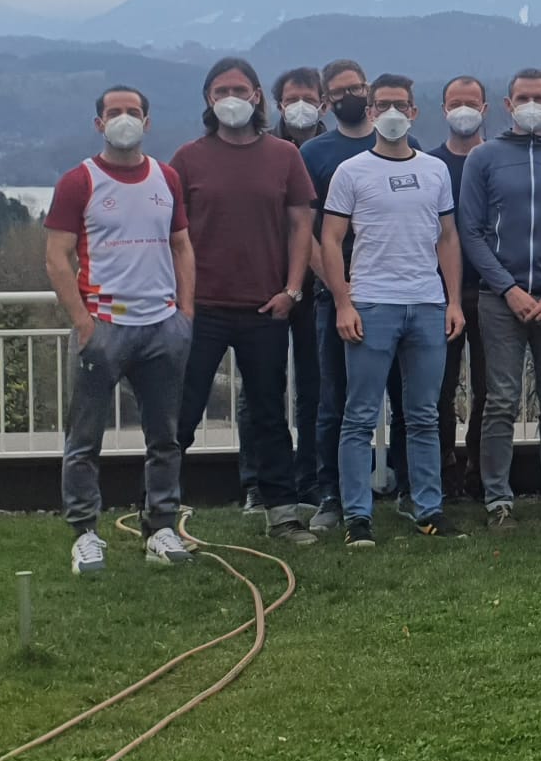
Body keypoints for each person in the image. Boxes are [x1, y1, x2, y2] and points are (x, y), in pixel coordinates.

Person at [44, 86, 196, 576]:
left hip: (162, 326)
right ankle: (85, 533)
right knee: (84, 438)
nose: (124, 119)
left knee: (165, 437)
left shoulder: (166, 178)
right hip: (105, 326)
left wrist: (184, 313)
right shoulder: (79, 182)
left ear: (147, 122)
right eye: (114, 112)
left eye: (133, 112)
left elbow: (181, 246)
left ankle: (162, 527)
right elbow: (57, 257)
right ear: (99, 123)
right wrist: (82, 322)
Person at [171, 57, 316, 546]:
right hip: (201, 310)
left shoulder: (284, 156)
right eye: (221, 90)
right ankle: (160, 514)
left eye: (240, 89)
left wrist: (291, 290)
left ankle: (283, 515)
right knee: (182, 414)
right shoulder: (188, 159)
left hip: (265, 309)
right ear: (208, 99)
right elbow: (172, 235)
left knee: (270, 415)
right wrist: (182, 300)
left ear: (257, 97)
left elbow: (301, 226)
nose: (231, 98)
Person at [319, 74, 465, 547]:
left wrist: (453, 301)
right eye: (382, 105)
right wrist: (343, 302)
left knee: (423, 415)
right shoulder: (351, 171)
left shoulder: (435, 170)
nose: (392, 113)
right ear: (370, 111)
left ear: (415, 111)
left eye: (400, 104)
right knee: (359, 415)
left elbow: (447, 237)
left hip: (426, 304)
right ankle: (357, 516)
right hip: (372, 304)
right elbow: (331, 239)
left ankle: (428, 508)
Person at [461, 69, 541, 526]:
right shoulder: (483, 158)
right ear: (508, 104)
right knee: (500, 400)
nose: (530, 104)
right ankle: (498, 500)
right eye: (523, 97)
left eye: (539, 97)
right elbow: (471, 232)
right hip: (501, 300)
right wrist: (508, 289)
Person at [300, 59, 413, 532]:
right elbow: (307, 232)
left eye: (356, 88)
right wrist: (337, 288)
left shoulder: (402, 147)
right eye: (339, 91)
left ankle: (409, 488)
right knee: (337, 400)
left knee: (405, 398)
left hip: (399, 294)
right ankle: (333, 494)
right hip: (338, 297)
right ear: (327, 100)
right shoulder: (314, 154)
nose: (350, 96)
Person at [226, 65, 324, 514]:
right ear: (277, 102)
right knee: (260, 390)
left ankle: (309, 481)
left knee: (315, 389)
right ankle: (256, 483)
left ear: (323, 102)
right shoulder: (260, 150)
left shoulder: (334, 150)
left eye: (309, 98)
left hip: (320, 290)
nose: (301, 106)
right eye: (292, 98)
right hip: (266, 287)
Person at [431, 75, 489, 506]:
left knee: (491, 390)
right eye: (456, 103)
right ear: (443, 109)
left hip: (492, 292)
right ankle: (443, 472)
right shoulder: (429, 165)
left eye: (471, 102)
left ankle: (481, 472)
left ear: (486, 108)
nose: (463, 110)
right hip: (437, 294)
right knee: (439, 390)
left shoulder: (498, 161)